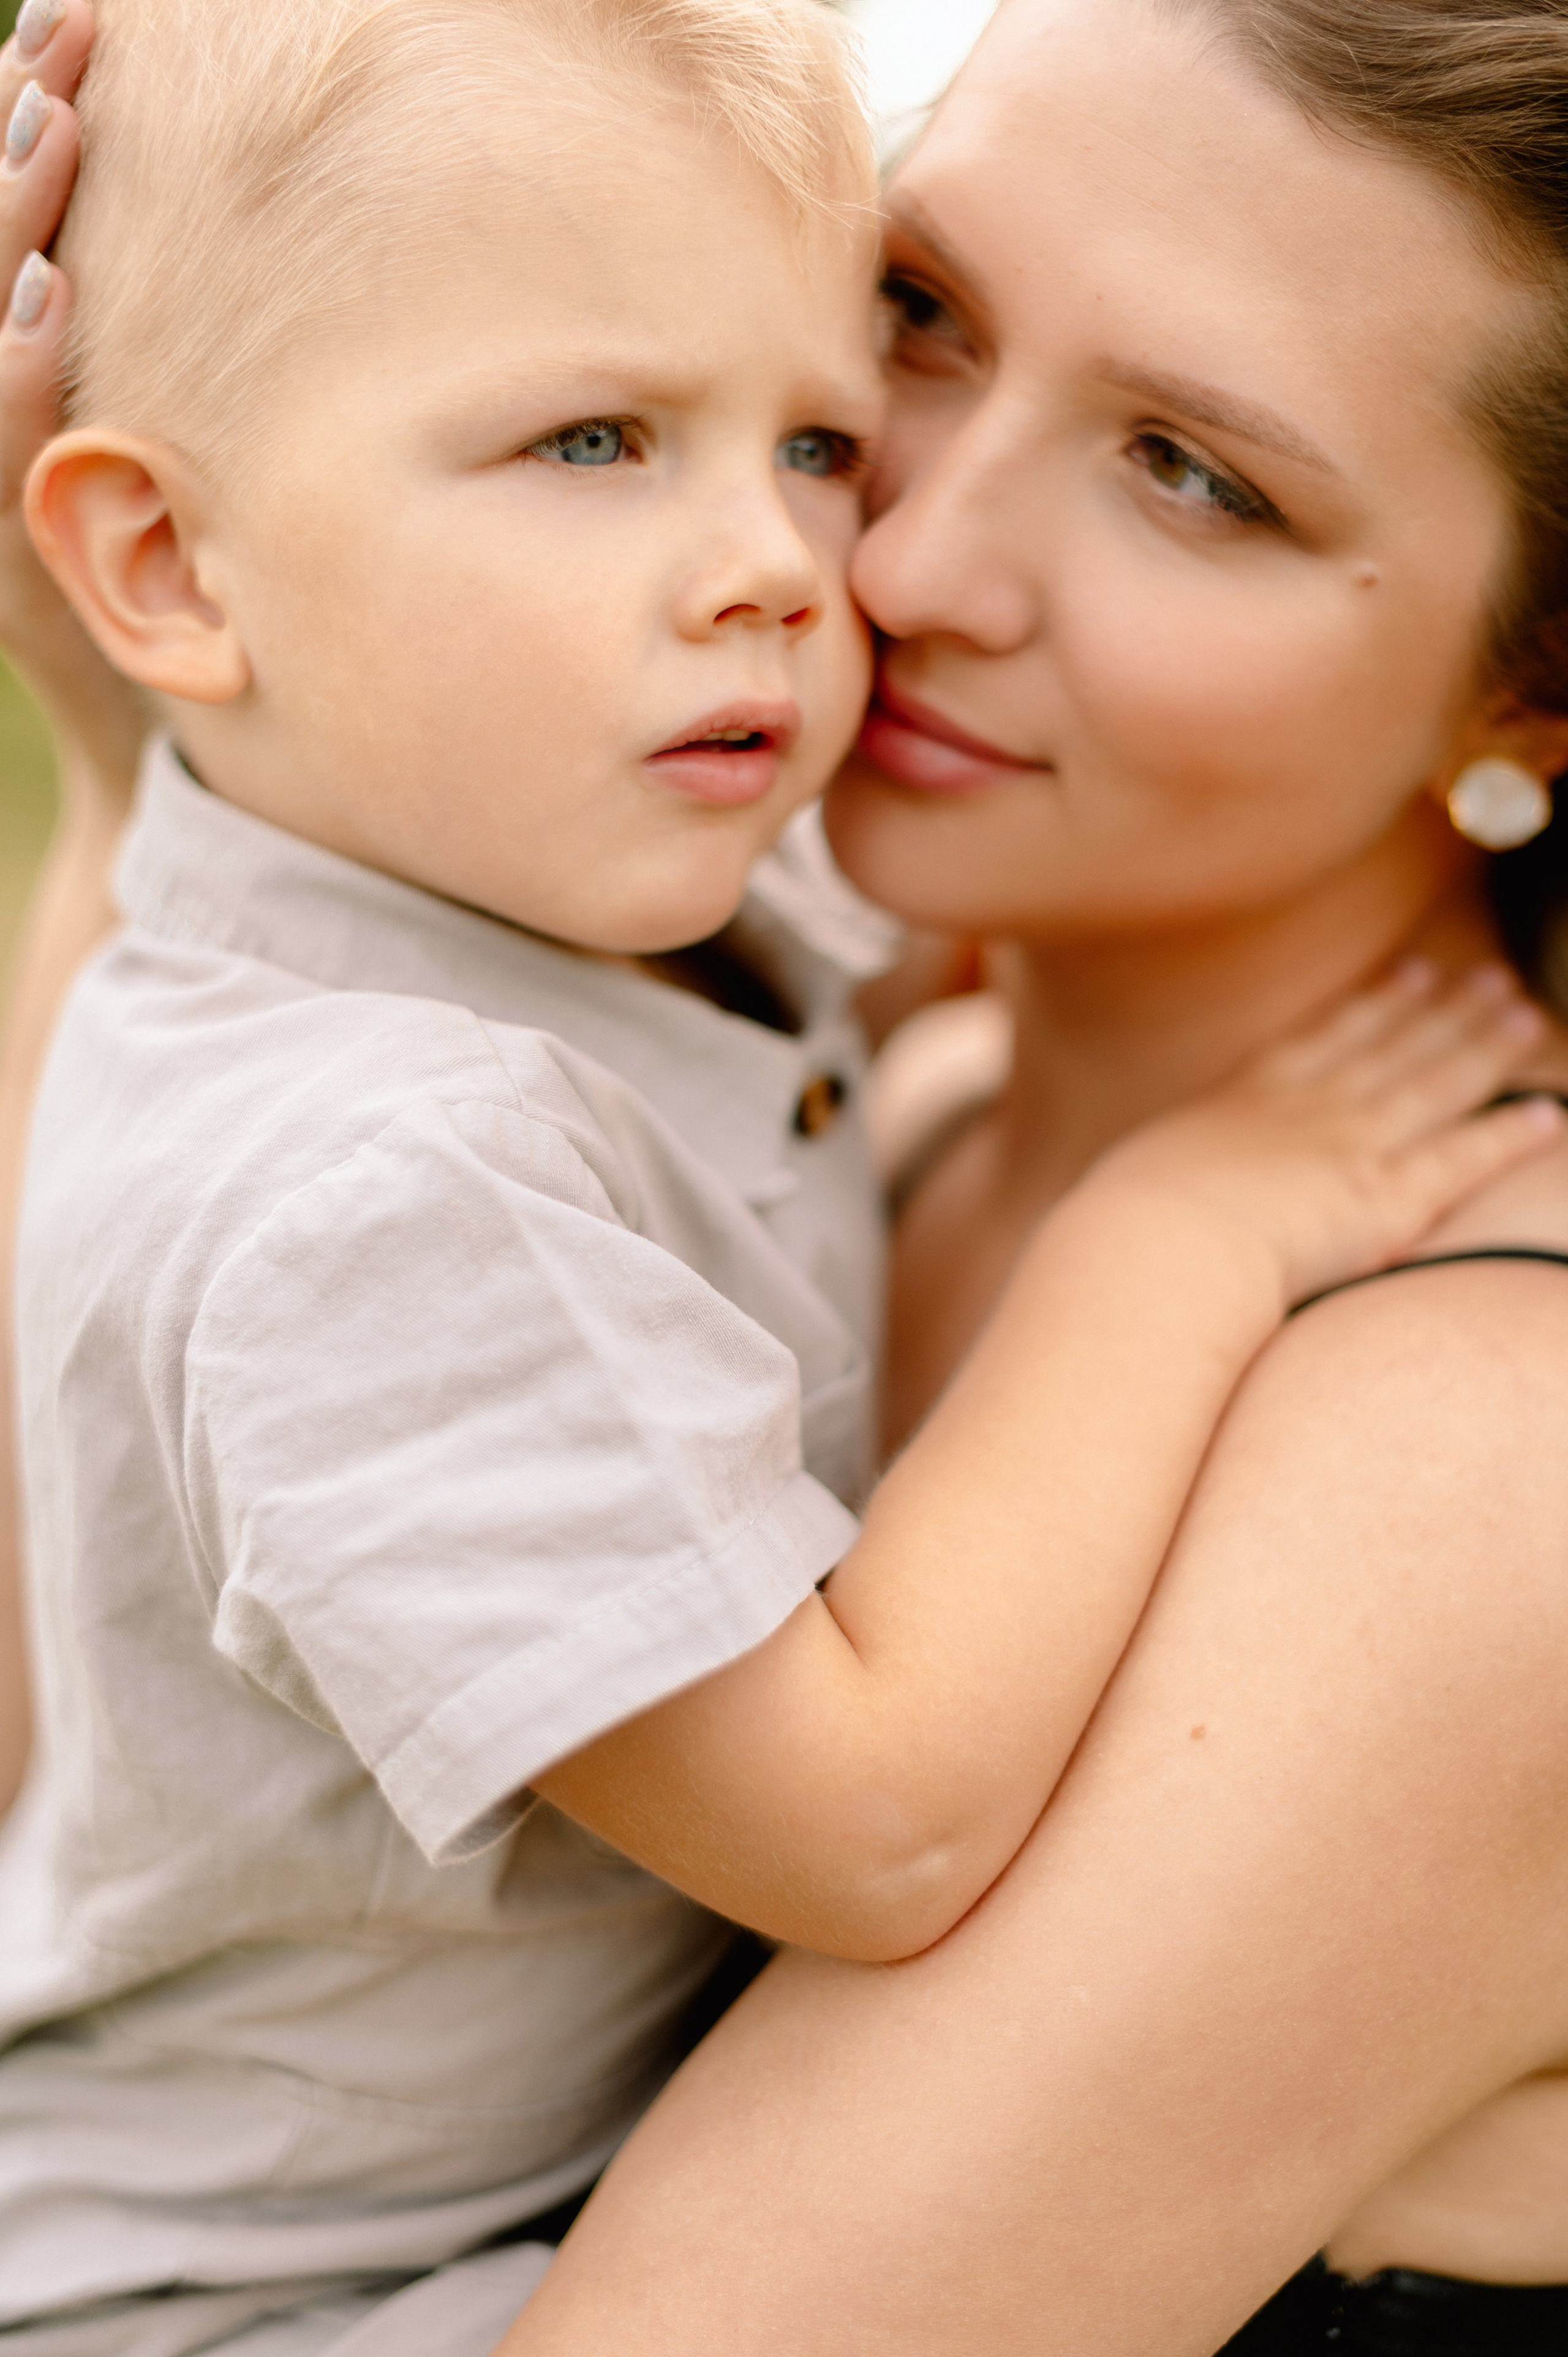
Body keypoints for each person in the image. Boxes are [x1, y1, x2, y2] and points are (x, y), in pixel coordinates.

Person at [7, 1, 1568, 2353]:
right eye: (918, 318)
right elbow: (100, 1768)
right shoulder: (816, 1073)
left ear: (1530, 683)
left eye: (1199, 477)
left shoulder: (1470, 1444)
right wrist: (176, 777)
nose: (894, 556)